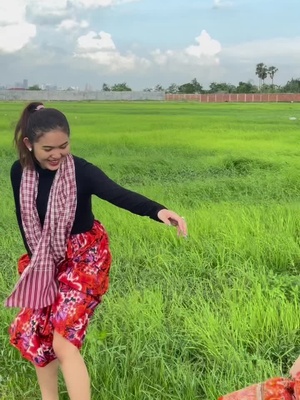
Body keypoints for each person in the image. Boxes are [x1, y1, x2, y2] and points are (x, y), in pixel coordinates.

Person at [5, 102, 188, 400]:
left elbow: (117, 194)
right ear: (29, 144)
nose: (57, 154)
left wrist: (158, 210)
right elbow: (25, 220)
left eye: (63, 146)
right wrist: (39, 268)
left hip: (84, 259)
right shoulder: (20, 173)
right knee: (35, 333)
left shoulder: (80, 170)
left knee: (63, 343)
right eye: (48, 148)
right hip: (43, 261)